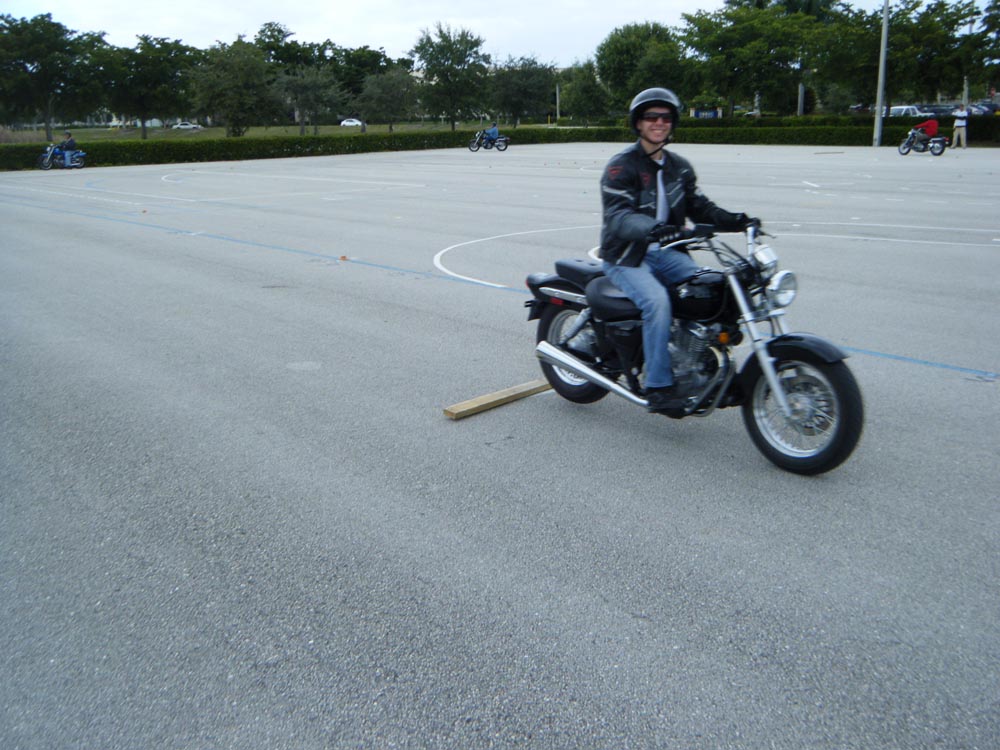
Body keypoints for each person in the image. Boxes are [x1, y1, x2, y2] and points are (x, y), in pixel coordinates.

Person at [599, 87, 759, 416]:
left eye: (665, 117)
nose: (659, 122)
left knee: (714, 288)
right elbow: (618, 217)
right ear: (638, 123)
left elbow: (700, 207)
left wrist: (737, 221)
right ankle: (658, 386)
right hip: (627, 255)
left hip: (667, 252)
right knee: (657, 302)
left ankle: (701, 360)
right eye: (651, 117)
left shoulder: (679, 167)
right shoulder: (621, 166)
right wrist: (653, 228)